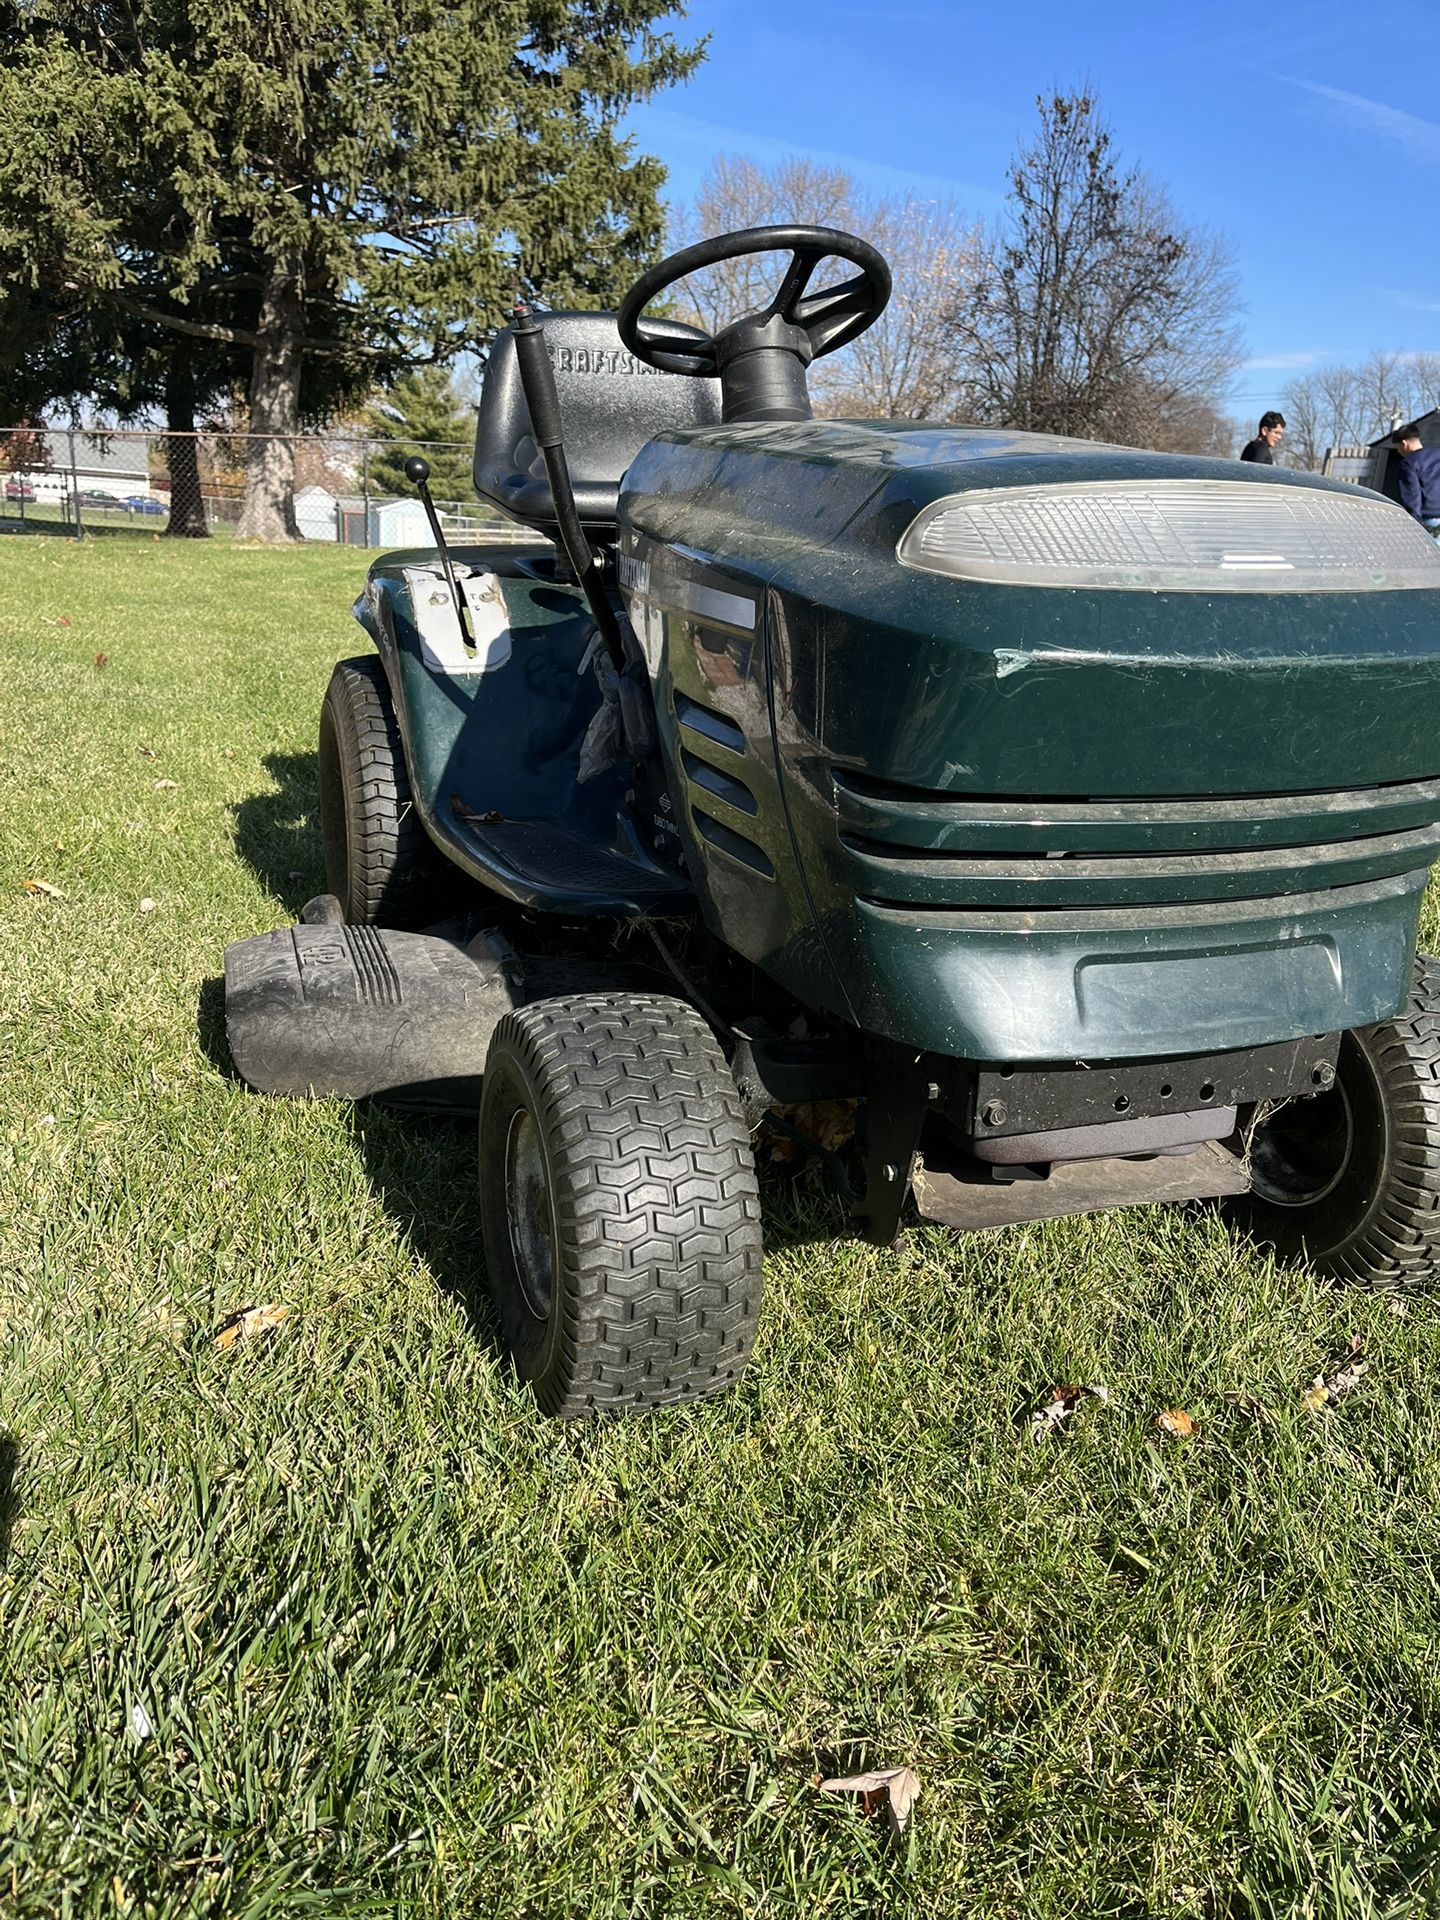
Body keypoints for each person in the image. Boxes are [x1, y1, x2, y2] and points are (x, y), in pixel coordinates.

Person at [1393, 429, 1440, 535]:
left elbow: (1412, 497)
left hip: (1431, 520)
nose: (1398, 451)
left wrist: (1414, 526)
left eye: (1397, 447)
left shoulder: (1408, 463)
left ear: (1404, 444)